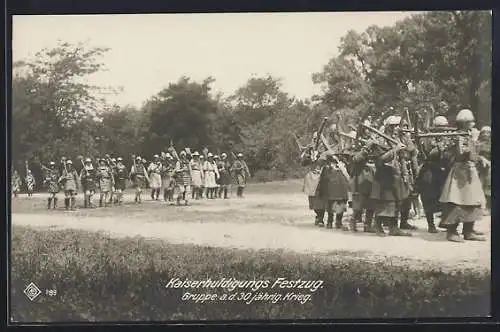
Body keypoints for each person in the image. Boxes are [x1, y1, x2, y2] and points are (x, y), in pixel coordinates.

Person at [439, 109, 486, 242]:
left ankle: (468, 230)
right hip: (459, 172)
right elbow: (460, 154)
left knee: (473, 200)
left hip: (470, 170)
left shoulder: (469, 135)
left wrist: (474, 141)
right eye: (470, 122)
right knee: (456, 201)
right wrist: (473, 141)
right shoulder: (458, 136)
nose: (473, 124)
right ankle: (452, 231)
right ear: (464, 123)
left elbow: (475, 155)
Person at [370, 116, 412, 237]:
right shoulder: (380, 141)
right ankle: (378, 226)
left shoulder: (398, 139)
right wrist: (395, 149)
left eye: (397, 126)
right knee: (384, 202)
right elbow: (380, 160)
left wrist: (405, 174)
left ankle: (394, 228)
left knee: (397, 201)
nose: (395, 128)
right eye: (393, 126)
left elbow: (403, 158)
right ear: (388, 127)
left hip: (396, 174)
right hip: (384, 175)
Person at [415, 116, 452, 233]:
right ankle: (431, 224)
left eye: (444, 128)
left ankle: (444, 221)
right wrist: (438, 149)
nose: (443, 130)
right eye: (440, 128)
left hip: (444, 171)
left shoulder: (448, 138)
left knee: (446, 197)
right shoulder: (427, 138)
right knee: (428, 198)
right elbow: (425, 155)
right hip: (429, 170)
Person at [317, 152, 350, 229]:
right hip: (333, 191)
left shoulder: (343, 167)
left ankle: (336, 222)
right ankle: (331, 222)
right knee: (333, 206)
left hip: (340, 191)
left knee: (339, 206)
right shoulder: (327, 168)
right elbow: (323, 180)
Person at [302, 147, 328, 227]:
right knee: (313, 199)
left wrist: (322, 157)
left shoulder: (327, 150)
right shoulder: (309, 150)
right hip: (311, 178)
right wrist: (308, 156)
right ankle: (317, 214)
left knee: (321, 198)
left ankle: (321, 218)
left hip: (323, 176)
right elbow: (303, 163)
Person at [476, 126, 491, 214]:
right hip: (479, 166)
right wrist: (481, 158)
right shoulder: (478, 143)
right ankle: (479, 207)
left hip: (489, 166)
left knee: (488, 186)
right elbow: (474, 154)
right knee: (479, 186)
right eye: (484, 132)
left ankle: (488, 207)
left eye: (488, 132)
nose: (486, 134)